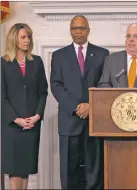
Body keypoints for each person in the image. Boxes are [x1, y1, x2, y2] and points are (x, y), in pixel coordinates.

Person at [50, 15, 109, 189]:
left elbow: (105, 83)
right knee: (69, 171)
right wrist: (78, 107)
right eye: (74, 28)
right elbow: (56, 85)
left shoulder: (102, 54)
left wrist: (92, 106)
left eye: (82, 28)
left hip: (95, 121)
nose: (78, 32)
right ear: (70, 30)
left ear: (88, 30)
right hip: (69, 121)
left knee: (95, 171)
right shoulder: (59, 55)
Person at [1, 23, 48, 190]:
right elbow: (2, 96)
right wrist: (16, 119)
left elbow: (43, 92)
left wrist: (36, 116)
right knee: (14, 171)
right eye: (23, 37)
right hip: (12, 125)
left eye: (28, 36)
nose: (27, 40)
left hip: (31, 124)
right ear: (14, 39)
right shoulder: (3, 63)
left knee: (25, 169)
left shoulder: (37, 62)